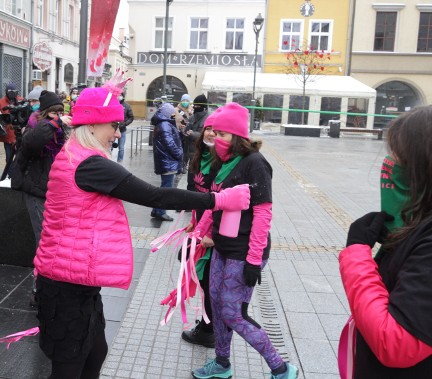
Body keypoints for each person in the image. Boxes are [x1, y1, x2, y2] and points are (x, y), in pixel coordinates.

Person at [34, 84, 251, 379]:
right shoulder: (90, 164)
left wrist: (106, 93)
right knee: (70, 367)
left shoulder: (74, 153)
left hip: (70, 277)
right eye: (114, 125)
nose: (118, 134)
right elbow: (156, 196)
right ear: (94, 124)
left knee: (95, 353)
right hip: (66, 284)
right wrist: (219, 199)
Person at [191, 103, 298, 379]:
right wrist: (196, 239)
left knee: (233, 312)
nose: (216, 139)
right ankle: (222, 363)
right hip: (221, 248)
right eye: (215, 133)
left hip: (245, 251)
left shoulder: (255, 163)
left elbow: (263, 212)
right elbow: (214, 204)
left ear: (238, 137)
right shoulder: (222, 162)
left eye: (223, 134)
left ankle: (281, 368)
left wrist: (253, 259)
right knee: (215, 303)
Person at [339, 105, 432, 377]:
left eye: (399, 156)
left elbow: (395, 342)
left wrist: (357, 253)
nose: (389, 163)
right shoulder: (419, 221)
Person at [181, 111, 220, 348]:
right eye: (208, 128)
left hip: (214, 233)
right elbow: (197, 196)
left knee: (208, 280)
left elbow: (221, 201)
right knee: (202, 276)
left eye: (217, 131)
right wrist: (194, 222)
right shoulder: (199, 157)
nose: (211, 133)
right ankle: (207, 326)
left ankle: (209, 331)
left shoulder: (224, 163)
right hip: (200, 227)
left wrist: (211, 233)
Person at [11, 90, 70, 244]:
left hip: (56, 188)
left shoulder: (60, 129)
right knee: (44, 237)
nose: (58, 115)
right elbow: (34, 140)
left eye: (60, 112)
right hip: (36, 188)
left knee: (56, 235)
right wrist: (55, 123)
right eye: (53, 113)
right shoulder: (33, 126)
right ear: (44, 113)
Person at [151, 102, 183, 221]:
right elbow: (169, 143)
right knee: (166, 189)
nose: (175, 115)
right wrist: (179, 154)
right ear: (168, 114)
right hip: (167, 161)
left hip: (166, 161)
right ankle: (160, 211)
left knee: (164, 186)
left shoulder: (165, 124)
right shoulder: (165, 125)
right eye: (173, 113)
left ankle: (156, 209)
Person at [184, 94, 210, 189]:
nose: (195, 107)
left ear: (203, 106)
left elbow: (207, 136)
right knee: (190, 181)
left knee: (199, 181)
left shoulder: (208, 118)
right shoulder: (193, 117)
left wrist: (193, 134)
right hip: (191, 154)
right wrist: (184, 129)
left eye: (197, 105)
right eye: (194, 105)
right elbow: (186, 130)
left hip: (201, 154)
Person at [0, 84, 19, 180]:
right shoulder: (1, 102)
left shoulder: (20, 100)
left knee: (19, 157)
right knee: (8, 157)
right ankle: (10, 176)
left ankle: (16, 174)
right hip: (7, 135)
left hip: (18, 134)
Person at [116, 91, 134, 164]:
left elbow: (131, 117)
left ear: (123, 96)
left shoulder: (126, 106)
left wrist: (125, 124)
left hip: (122, 129)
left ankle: (119, 162)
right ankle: (109, 161)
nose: (119, 96)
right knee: (109, 147)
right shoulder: (113, 104)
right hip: (112, 129)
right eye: (118, 95)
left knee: (121, 148)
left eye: (120, 95)